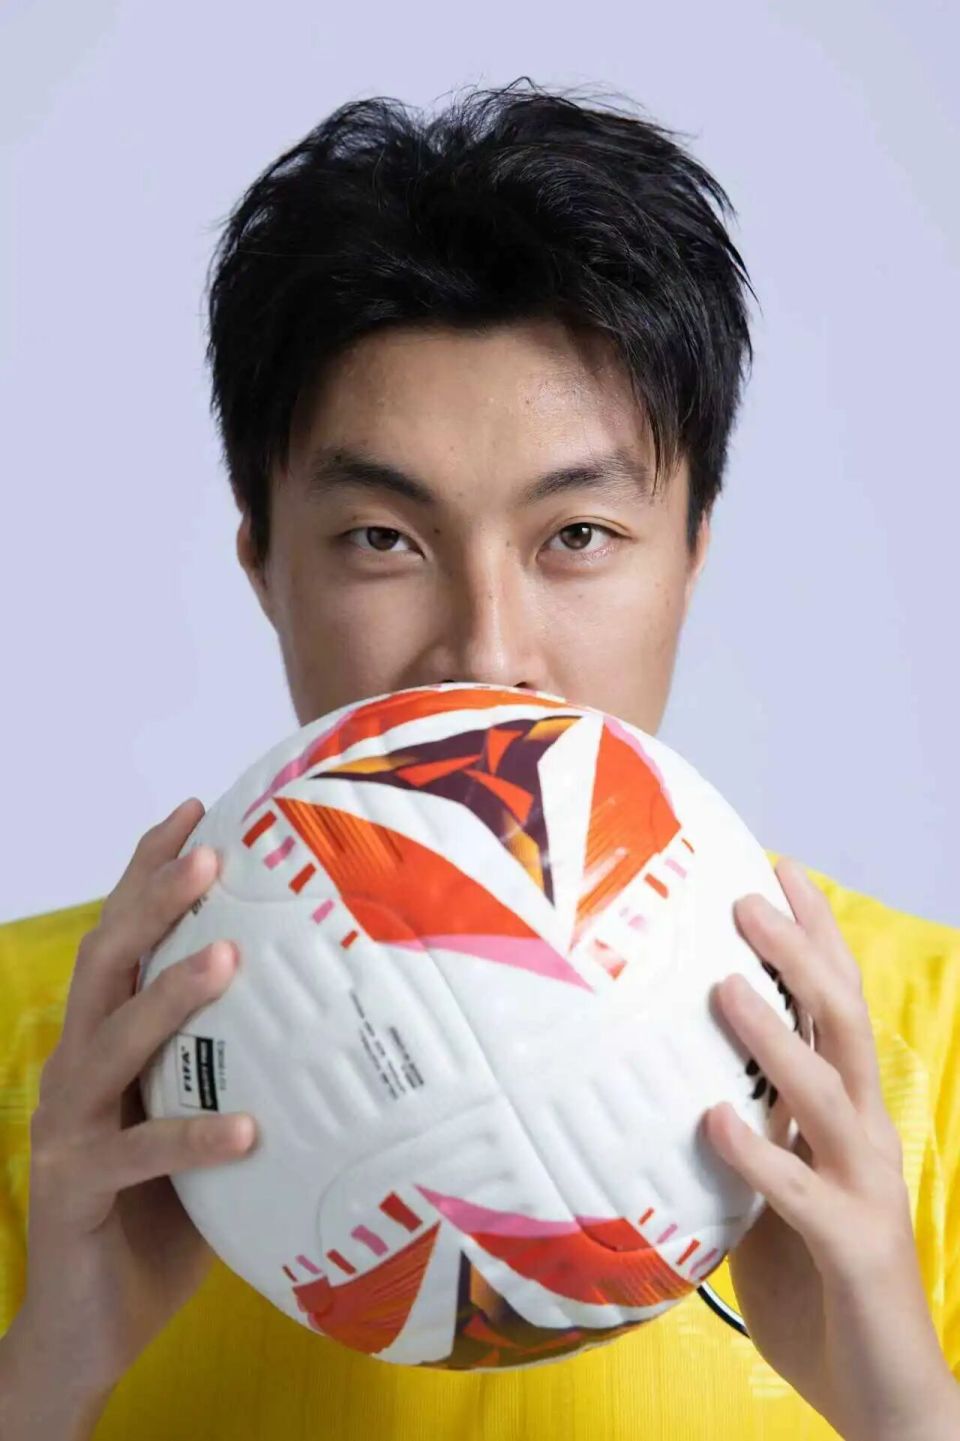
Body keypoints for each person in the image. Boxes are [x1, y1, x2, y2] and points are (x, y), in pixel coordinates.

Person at [0, 79, 958, 1441]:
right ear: (263, 566)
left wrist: (902, 1407)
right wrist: (43, 1377)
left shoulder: (934, 1057)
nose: (487, 653)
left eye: (577, 537)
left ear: (691, 556)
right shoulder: (31, 1052)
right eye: (383, 539)